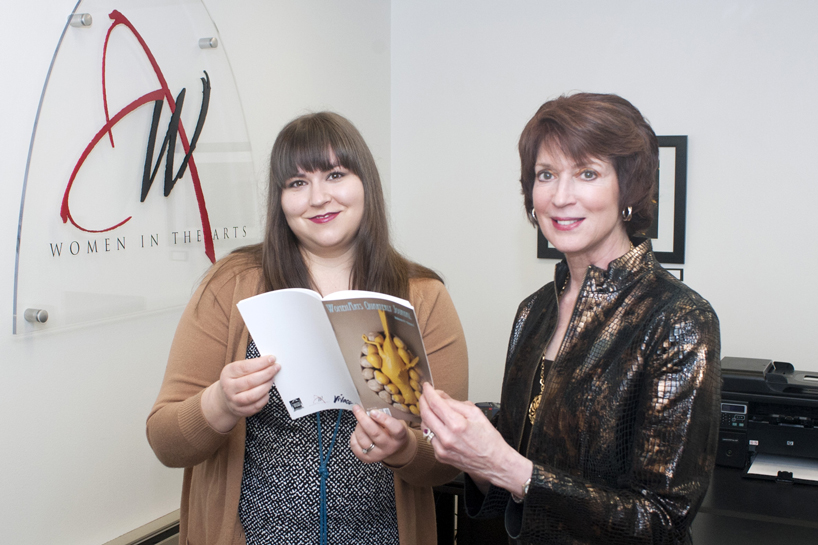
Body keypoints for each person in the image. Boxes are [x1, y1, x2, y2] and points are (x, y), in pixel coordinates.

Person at [147, 112, 468, 545]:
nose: (318, 198)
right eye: (297, 183)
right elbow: (166, 441)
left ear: (365, 184)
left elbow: (449, 460)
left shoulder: (424, 296)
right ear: (280, 200)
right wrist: (219, 402)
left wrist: (405, 448)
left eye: (335, 175)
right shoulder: (230, 284)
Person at [419, 93, 720, 544]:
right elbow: (511, 492)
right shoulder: (533, 311)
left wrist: (506, 465)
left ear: (629, 188)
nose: (561, 197)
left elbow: (660, 522)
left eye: (588, 173)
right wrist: (474, 455)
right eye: (546, 175)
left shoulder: (678, 318)